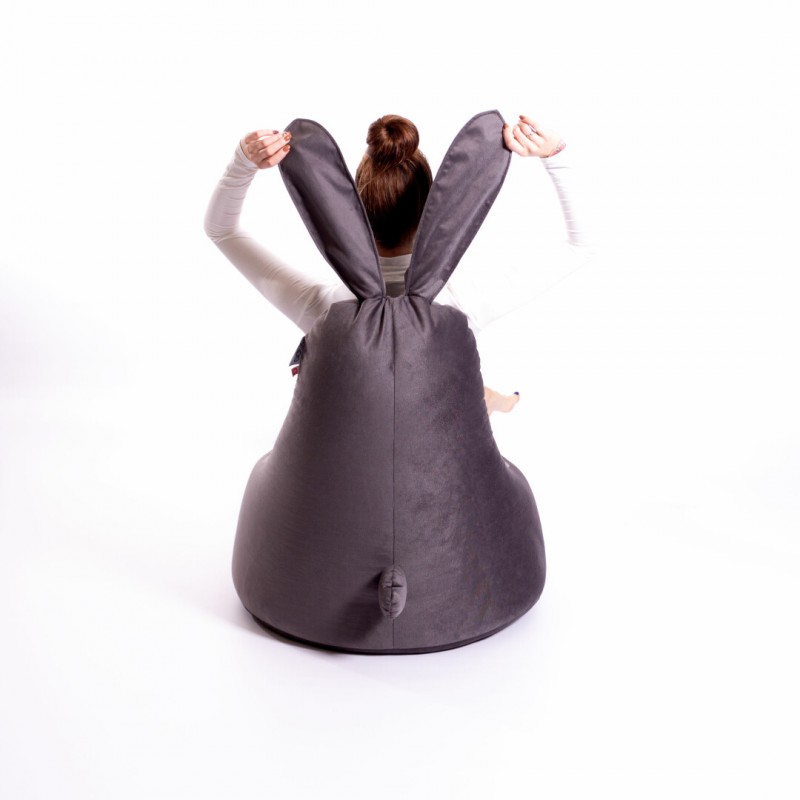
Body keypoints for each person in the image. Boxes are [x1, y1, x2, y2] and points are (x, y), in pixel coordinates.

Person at [204, 113, 588, 415]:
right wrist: (555, 155)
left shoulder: (324, 305)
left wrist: (243, 163)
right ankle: (503, 402)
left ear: (351, 211)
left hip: (344, 454)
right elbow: (580, 246)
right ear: (433, 210)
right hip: (438, 445)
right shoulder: (458, 302)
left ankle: (500, 400)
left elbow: (221, 231)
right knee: (467, 389)